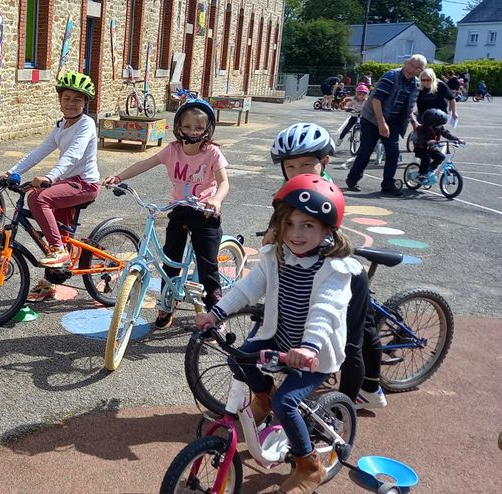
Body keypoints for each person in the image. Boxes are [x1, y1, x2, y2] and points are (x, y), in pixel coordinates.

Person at [195, 175, 361, 494]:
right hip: (279, 338)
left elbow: (325, 309)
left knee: (288, 403)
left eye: (308, 226)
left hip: (316, 355)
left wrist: (310, 347)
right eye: (290, 224)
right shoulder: (276, 256)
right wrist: (215, 314)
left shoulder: (335, 269)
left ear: (328, 230)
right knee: (238, 359)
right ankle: (263, 397)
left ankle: (308, 463)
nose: (296, 234)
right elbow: (247, 288)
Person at [268, 123, 385, 408]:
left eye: (308, 164)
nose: (299, 172)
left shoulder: (326, 191)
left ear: (325, 161)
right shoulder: (287, 190)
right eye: (291, 166)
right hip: (309, 268)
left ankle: (354, 401)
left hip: (338, 271)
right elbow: (277, 226)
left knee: (353, 340)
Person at [104, 99, 228, 326]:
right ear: (179, 126)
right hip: (179, 209)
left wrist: (216, 199)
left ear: (208, 129)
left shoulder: (212, 153)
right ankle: (166, 304)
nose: (192, 132)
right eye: (187, 126)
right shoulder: (173, 150)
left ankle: (215, 315)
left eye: (199, 128)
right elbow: (145, 163)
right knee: (170, 259)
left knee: (207, 265)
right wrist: (119, 177)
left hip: (205, 212)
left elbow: (224, 182)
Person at [0, 71, 100, 303]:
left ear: (85, 103)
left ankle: (59, 250)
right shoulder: (61, 125)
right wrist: (12, 172)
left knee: (38, 198)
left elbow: (73, 155)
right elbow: (39, 151)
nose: (71, 103)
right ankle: (49, 283)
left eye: (77, 99)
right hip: (68, 183)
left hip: (85, 184)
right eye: (67, 98)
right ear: (60, 100)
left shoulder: (87, 124)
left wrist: (51, 177)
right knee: (58, 231)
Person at [345, 54, 425, 196]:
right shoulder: (391, 76)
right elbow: (376, 100)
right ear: (406, 62)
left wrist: (413, 122)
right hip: (371, 119)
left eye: (418, 68)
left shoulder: (416, 84)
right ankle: (353, 179)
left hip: (393, 121)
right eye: (411, 65)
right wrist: (381, 123)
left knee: (393, 153)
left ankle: (388, 185)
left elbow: (408, 107)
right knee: (366, 151)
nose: (413, 69)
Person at [412, 108, 464, 185]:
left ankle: (430, 169)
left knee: (441, 157)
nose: (440, 126)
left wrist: (457, 139)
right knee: (426, 158)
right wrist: (427, 142)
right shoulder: (421, 129)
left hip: (431, 148)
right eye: (439, 124)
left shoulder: (438, 128)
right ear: (431, 123)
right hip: (421, 148)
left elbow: (446, 133)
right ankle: (422, 174)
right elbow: (420, 140)